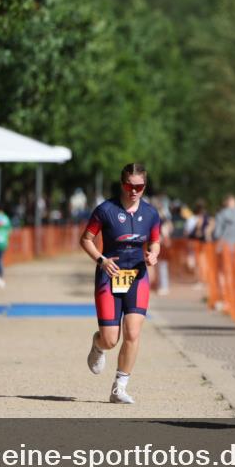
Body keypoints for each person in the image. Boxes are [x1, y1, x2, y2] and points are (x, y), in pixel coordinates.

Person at [79, 163, 160, 404]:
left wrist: (154, 254)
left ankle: (119, 387)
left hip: (137, 275)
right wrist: (101, 260)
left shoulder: (152, 214)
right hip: (109, 274)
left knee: (133, 333)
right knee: (111, 339)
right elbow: (86, 239)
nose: (133, 191)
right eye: (128, 185)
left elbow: (156, 241)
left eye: (139, 186)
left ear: (145, 186)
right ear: (121, 183)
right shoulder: (106, 210)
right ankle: (98, 345)